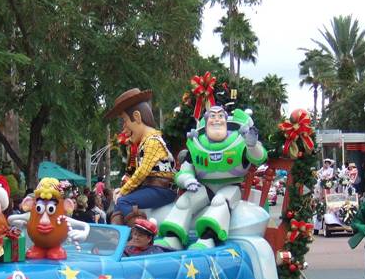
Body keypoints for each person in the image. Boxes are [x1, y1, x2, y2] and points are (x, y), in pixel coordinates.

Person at [156, 105, 267, 250]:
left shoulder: (239, 141)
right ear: (205, 121)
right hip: (204, 186)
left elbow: (258, 158)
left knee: (220, 201)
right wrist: (187, 180)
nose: (217, 120)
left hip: (231, 185)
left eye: (220, 116)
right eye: (212, 116)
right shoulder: (197, 145)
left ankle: (208, 238)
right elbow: (184, 171)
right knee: (185, 201)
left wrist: (252, 146)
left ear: (227, 121)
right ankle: (173, 237)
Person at [105, 88, 176, 225]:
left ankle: (144, 233)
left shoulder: (152, 141)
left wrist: (124, 191)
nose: (124, 128)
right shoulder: (145, 142)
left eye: (125, 121)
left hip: (162, 190)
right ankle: (119, 237)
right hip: (152, 189)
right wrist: (123, 190)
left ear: (137, 117)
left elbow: (142, 172)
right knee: (120, 202)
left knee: (124, 201)